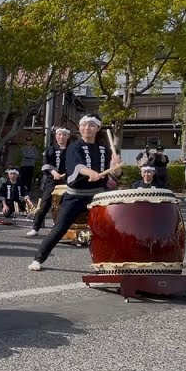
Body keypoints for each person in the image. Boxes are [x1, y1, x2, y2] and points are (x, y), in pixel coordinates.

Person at [29, 114, 122, 271]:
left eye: (92, 125)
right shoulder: (74, 147)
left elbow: (116, 174)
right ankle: (38, 259)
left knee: (108, 228)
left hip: (97, 195)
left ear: (98, 128)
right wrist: (90, 172)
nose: (87, 128)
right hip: (75, 195)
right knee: (60, 228)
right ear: (79, 128)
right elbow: (77, 166)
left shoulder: (104, 149)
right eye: (84, 124)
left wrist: (116, 165)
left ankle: (111, 261)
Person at [26, 127, 71, 237]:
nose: (61, 137)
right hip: (52, 179)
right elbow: (46, 164)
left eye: (64, 135)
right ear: (56, 136)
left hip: (68, 179)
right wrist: (54, 173)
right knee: (45, 203)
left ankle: (63, 228)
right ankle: (35, 228)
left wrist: (65, 174)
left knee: (66, 205)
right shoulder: (50, 149)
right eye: (59, 134)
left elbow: (75, 164)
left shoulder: (72, 149)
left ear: (68, 136)